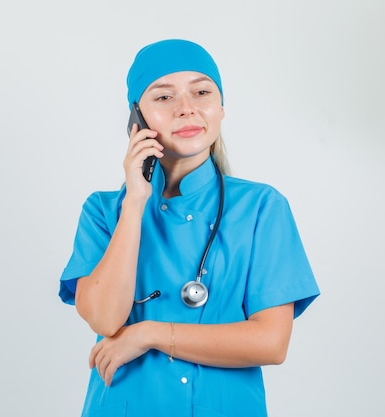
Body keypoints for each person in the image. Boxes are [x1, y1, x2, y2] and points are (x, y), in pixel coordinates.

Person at [59, 39, 320, 417]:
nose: (187, 109)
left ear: (221, 108)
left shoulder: (262, 208)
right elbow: (103, 318)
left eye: (201, 92)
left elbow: (271, 342)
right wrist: (135, 201)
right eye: (163, 98)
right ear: (137, 119)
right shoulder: (104, 211)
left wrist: (149, 334)